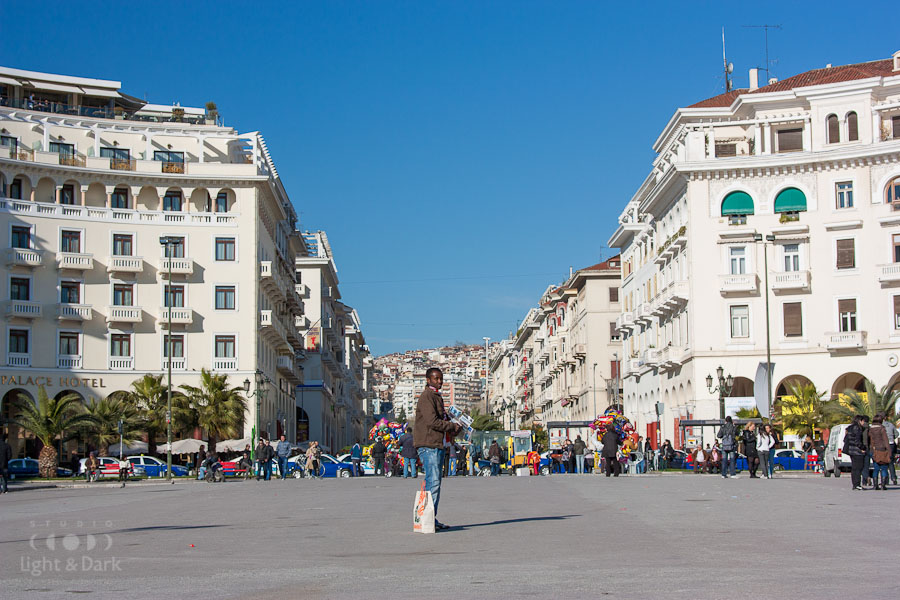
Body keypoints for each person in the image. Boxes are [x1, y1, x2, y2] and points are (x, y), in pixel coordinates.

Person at [413, 367, 461, 531]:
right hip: (429, 444)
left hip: (436, 443)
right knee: (433, 481)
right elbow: (432, 422)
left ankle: (428, 517)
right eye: (435, 379)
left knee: (433, 481)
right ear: (428, 380)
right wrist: (451, 426)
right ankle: (427, 519)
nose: (439, 381)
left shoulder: (435, 396)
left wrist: (455, 427)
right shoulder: (427, 397)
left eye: (441, 379)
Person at [843, 415, 867, 490]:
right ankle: (857, 484)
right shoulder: (858, 428)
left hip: (851, 451)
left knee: (854, 468)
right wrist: (863, 448)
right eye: (863, 421)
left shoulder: (849, 428)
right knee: (858, 468)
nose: (864, 423)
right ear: (860, 421)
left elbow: (845, 440)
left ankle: (855, 484)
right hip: (857, 451)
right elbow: (857, 441)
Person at [868, 414, 891, 491]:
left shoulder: (870, 429)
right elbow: (886, 441)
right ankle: (883, 485)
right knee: (884, 468)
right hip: (882, 450)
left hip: (873, 450)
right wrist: (889, 451)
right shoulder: (882, 429)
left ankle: (875, 485)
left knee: (876, 468)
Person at [885, 417, 898, 485]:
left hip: (883, 445)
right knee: (891, 462)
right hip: (891, 444)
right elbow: (896, 434)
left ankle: (885, 479)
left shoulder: (879, 426)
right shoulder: (891, 425)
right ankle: (893, 477)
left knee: (884, 462)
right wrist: (891, 438)